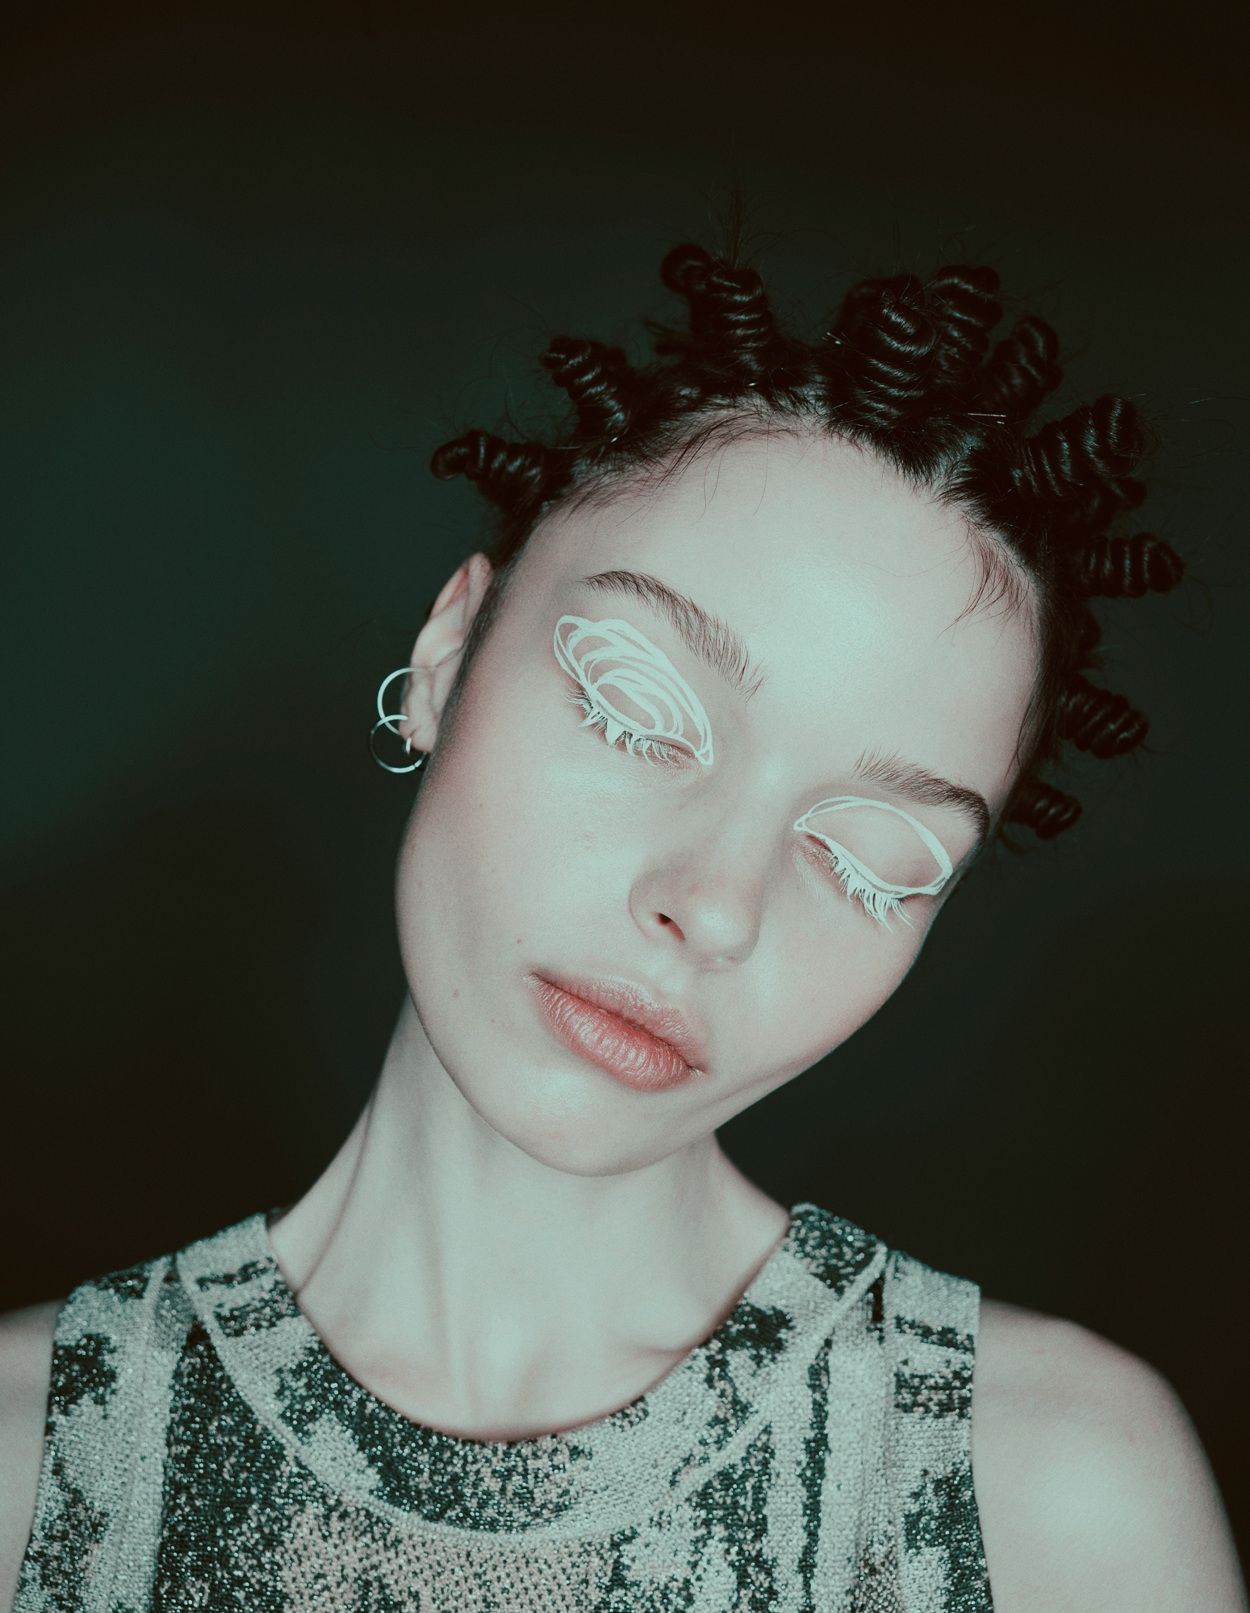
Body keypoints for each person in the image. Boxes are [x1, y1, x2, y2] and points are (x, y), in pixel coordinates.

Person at [0, 236, 1244, 1613]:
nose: (713, 904)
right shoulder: (23, 1471)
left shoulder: (1052, 1498)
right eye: (637, 712)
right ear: (446, 653)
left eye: (872, 858)